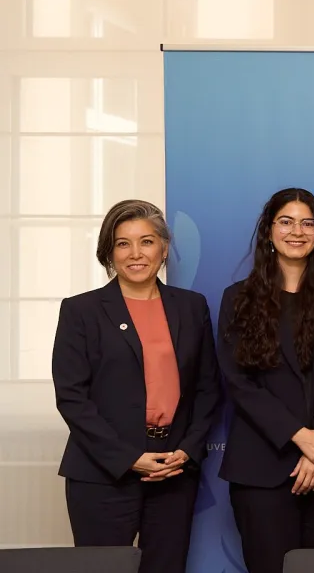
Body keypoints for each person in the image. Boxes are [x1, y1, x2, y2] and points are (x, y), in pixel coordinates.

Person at [52, 199, 221, 573]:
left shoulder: (191, 307)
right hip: (102, 472)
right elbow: (72, 397)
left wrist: (188, 450)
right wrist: (127, 458)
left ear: (164, 248)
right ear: (109, 252)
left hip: (173, 470)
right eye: (122, 243)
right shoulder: (81, 311)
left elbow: (208, 388)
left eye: (146, 241)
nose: (135, 254)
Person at [217, 188, 314, 572]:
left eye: (307, 223)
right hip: (261, 468)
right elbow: (238, 382)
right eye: (286, 221)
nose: (296, 231)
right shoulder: (238, 299)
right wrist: (299, 436)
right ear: (269, 230)